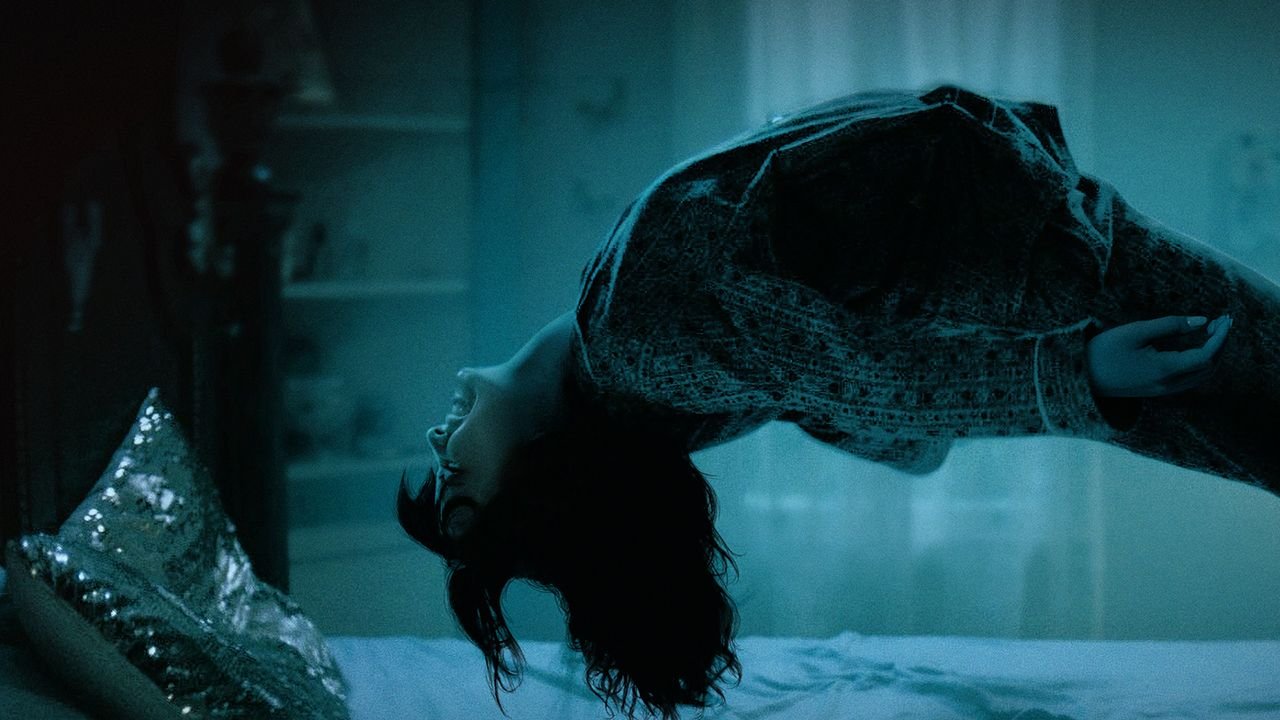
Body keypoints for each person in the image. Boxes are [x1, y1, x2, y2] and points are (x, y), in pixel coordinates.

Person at [396, 84, 1279, 720]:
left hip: (1043, 260)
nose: (438, 446)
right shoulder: (636, 343)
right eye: (456, 485)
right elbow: (863, 377)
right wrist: (1077, 375)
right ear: (539, 473)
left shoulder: (628, 357)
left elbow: (836, 376)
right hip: (1059, 282)